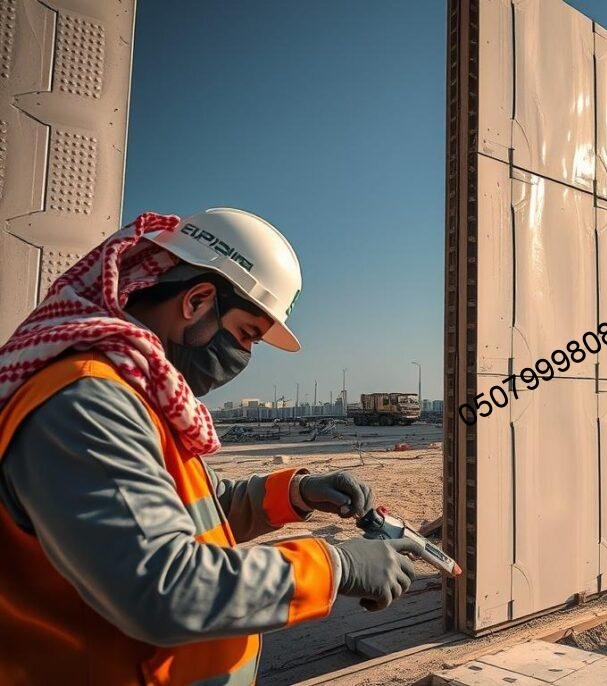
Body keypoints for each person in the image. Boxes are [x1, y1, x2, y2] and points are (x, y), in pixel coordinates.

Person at [0, 210, 421, 684]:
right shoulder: (86, 403)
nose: (244, 357)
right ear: (198, 300)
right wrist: (336, 566)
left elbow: (197, 511)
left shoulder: (133, 395)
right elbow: (165, 588)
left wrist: (297, 494)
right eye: (245, 335)